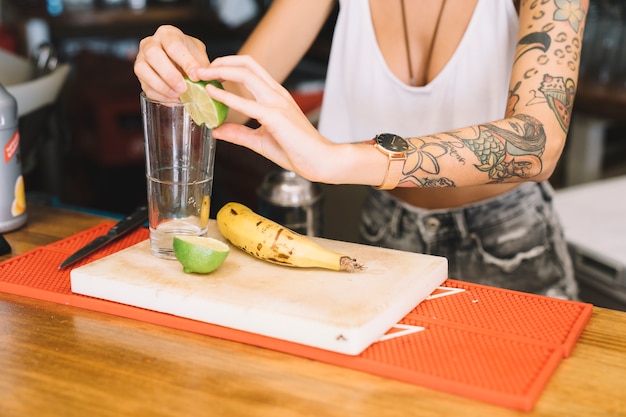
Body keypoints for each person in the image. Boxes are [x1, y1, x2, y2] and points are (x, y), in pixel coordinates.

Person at [134, 0, 589, 300]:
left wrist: (335, 158)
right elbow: (229, 101)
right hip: (387, 241)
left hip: (510, 246)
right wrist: (182, 73)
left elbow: (539, 141)